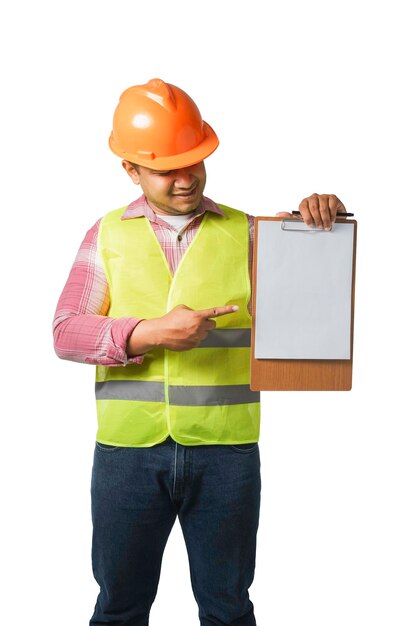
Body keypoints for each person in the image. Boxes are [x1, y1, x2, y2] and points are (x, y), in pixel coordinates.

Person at [53, 78, 346, 626]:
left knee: (228, 609)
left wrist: (321, 227)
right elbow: (66, 332)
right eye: (167, 168)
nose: (185, 178)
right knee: (118, 607)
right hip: (127, 453)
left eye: (195, 161)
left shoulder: (255, 234)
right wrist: (149, 333)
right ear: (131, 170)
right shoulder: (106, 234)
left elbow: (316, 296)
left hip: (227, 453)